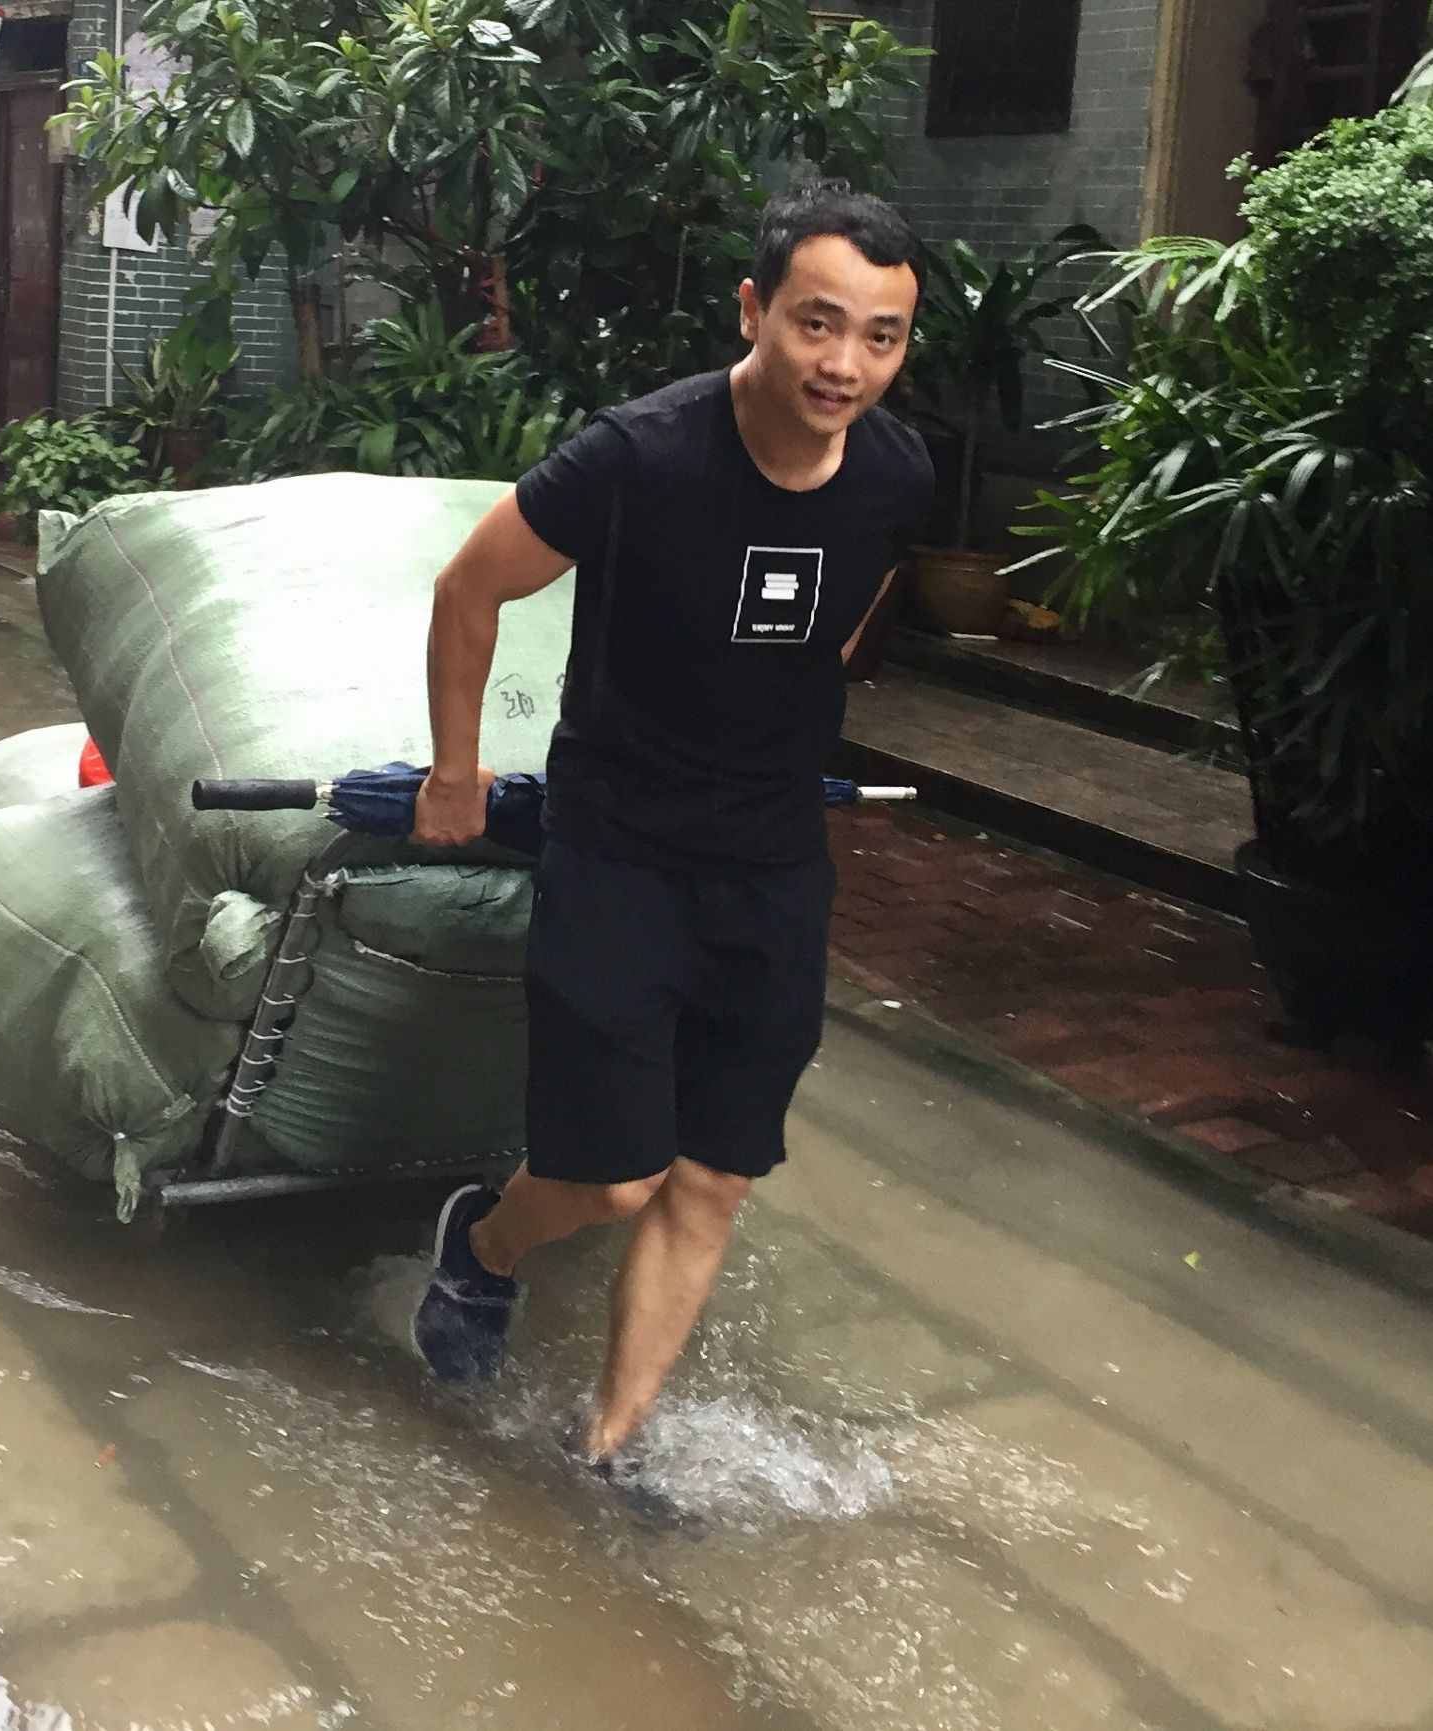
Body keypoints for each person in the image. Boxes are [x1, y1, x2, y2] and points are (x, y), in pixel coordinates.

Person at [409, 181, 934, 1475]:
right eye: (818, 325)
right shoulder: (636, 457)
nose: (845, 363)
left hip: (767, 863)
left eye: (880, 335)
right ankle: (480, 1240)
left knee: (712, 1177)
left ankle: (610, 1447)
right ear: (753, 310)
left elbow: (849, 620)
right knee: (613, 1177)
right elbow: (469, 584)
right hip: (619, 846)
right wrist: (455, 771)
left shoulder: (895, 475)